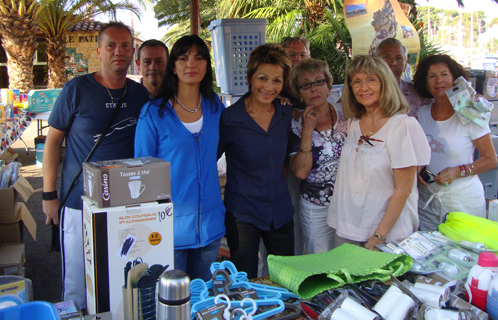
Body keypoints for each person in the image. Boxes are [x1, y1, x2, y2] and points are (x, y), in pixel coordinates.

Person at [42, 21, 149, 309]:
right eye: (111, 46)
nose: (118, 52)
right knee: (77, 283)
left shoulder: (139, 95)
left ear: (132, 53)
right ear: (99, 51)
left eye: (125, 45)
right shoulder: (76, 89)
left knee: (118, 277)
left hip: (122, 206)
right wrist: (49, 196)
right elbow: (52, 144)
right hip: (78, 203)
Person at [134, 35, 225, 281]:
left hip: (210, 226)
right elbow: (143, 172)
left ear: (207, 66)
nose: (191, 64)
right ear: (173, 66)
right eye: (183, 58)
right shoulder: (153, 113)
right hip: (168, 229)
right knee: (172, 303)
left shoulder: (215, 107)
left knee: (203, 300)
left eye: (198, 58)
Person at [327, 55, 430, 250]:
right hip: (348, 228)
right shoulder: (353, 122)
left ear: (385, 83)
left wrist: (378, 237)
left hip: (386, 235)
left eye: (371, 80)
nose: (363, 87)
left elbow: (404, 189)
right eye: (356, 82)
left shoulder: (402, 126)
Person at [218, 44, 294, 279]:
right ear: (249, 77)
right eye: (262, 78)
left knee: (286, 280)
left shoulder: (287, 113)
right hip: (243, 214)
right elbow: (209, 160)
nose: (269, 87)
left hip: (280, 213)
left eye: (277, 80)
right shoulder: (229, 119)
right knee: (244, 282)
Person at [413, 54, 497, 231]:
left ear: (455, 78)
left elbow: (491, 159)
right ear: (425, 83)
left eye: (444, 74)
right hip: (427, 201)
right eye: (432, 76)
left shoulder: (470, 113)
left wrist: (459, 171)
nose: (439, 81)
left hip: (462, 201)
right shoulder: (421, 114)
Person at [288, 58, 348, 254]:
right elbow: (301, 172)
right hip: (316, 206)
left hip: (349, 203)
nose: (313, 89)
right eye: (305, 85)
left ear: (329, 85)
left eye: (319, 82)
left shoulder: (347, 114)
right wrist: (307, 130)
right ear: (298, 92)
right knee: (320, 262)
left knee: (347, 259)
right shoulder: (294, 124)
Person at [280, 35, 310, 256]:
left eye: (302, 54)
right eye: (292, 54)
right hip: (282, 163)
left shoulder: (310, 83)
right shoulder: (276, 84)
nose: (298, 59)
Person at [374, 38, 433, 117]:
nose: (393, 63)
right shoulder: (365, 92)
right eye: (387, 57)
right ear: (376, 61)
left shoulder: (416, 93)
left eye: (399, 58)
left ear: (405, 64)